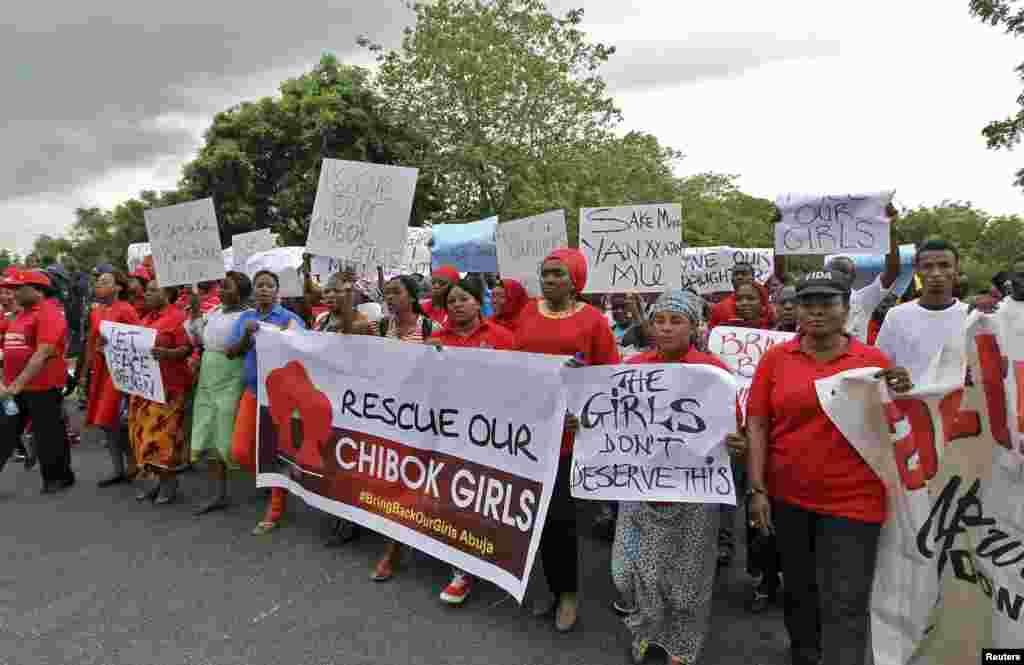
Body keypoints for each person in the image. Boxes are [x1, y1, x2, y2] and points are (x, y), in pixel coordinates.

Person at [746, 271, 913, 665]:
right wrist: (756, 490)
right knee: (800, 590)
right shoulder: (776, 359)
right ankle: (805, 653)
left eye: (828, 303)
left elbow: (901, 419)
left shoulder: (873, 360)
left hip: (856, 500)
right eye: (808, 303)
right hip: (789, 497)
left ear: (846, 309)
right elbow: (757, 423)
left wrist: (904, 390)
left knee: (847, 597)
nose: (817, 312)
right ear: (796, 310)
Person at [614, 289, 745, 665]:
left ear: (694, 326)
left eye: (676, 321)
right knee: (628, 573)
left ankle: (681, 645)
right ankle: (644, 630)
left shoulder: (713, 372)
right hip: (641, 485)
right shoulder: (636, 366)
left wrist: (736, 441)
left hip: (693, 489)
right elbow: (612, 417)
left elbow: (731, 424)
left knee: (687, 579)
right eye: (659, 320)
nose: (666, 328)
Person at [515, 248, 620, 633]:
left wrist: (587, 413)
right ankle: (551, 587)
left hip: (568, 436)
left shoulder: (593, 321)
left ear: (575, 279)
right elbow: (515, 363)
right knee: (536, 519)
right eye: (545, 273)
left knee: (560, 517)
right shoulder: (527, 312)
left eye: (558, 273)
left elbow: (608, 376)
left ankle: (570, 594)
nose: (549, 279)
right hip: (529, 429)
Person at [427, 277, 516, 606]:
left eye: (464, 299)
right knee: (453, 497)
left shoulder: (503, 338)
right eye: (451, 301)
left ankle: (490, 555)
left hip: (491, 434)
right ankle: (461, 571)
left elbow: (521, 383)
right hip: (449, 431)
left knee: (485, 497)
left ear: (479, 303)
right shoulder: (435, 340)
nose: (457, 305)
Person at [369, 275, 442, 581]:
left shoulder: (431, 330)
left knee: (414, 480)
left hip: (420, 418)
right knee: (392, 480)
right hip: (388, 416)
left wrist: (434, 350)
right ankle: (395, 543)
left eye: (396, 292)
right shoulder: (381, 329)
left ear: (412, 297)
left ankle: (404, 544)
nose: (390, 298)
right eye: (386, 293)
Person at [227, 270, 306, 535]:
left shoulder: (290, 319)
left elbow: (305, 353)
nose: (263, 290)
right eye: (259, 285)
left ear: (277, 291)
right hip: (252, 392)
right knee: (240, 451)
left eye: (269, 286)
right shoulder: (246, 319)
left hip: (279, 398)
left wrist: (286, 337)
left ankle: (274, 510)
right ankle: (272, 482)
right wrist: (246, 337)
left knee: (275, 452)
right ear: (253, 291)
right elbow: (231, 353)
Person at [0, 270, 73, 492]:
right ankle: (60, 474)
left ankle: (57, 477)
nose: (13, 293)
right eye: (11, 289)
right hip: (16, 387)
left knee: (48, 433)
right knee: (5, 431)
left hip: (42, 386)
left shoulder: (49, 314)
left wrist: (16, 385)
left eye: (18, 289)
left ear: (38, 291)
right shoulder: (21, 315)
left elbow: (42, 353)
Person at [187, 271, 252, 516]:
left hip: (232, 377)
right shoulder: (214, 312)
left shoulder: (248, 317)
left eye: (228, 287)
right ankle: (219, 493)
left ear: (242, 292)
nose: (222, 291)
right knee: (210, 429)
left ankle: (267, 481)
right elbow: (199, 338)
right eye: (221, 287)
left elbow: (240, 349)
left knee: (226, 428)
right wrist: (195, 312)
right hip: (208, 375)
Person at [129, 280, 193, 505]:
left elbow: (188, 349)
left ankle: (169, 482)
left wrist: (166, 353)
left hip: (170, 388)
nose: (146, 295)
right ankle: (157, 480)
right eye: (146, 291)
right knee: (144, 437)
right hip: (145, 388)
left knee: (162, 438)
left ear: (167, 293)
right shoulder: (145, 319)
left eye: (152, 291)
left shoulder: (178, 318)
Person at [875, 239, 970, 386]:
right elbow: (879, 368)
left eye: (944, 265)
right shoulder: (896, 316)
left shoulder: (971, 316)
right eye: (928, 266)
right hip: (908, 405)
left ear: (956, 268)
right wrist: (893, 379)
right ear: (917, 270)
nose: (936, 273)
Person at [82, 271, 140, 486]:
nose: (99, 285)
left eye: (105, 282)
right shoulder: (96, 312)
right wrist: (85, 373)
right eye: (98, 282)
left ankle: (132, 463)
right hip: (100, 371)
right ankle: (118, 469)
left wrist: (115, 347)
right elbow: (91, 342)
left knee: (116, 421)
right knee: (106, 423)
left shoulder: (126, 310)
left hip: (120, 372)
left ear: (118, 288)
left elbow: (138, 340)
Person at [708, 263, 775, 330]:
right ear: (731, 279)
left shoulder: (768, 309)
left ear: (753, 277)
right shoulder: (719, 308)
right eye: (736, 274)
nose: (739, 277)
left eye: (744, 274)